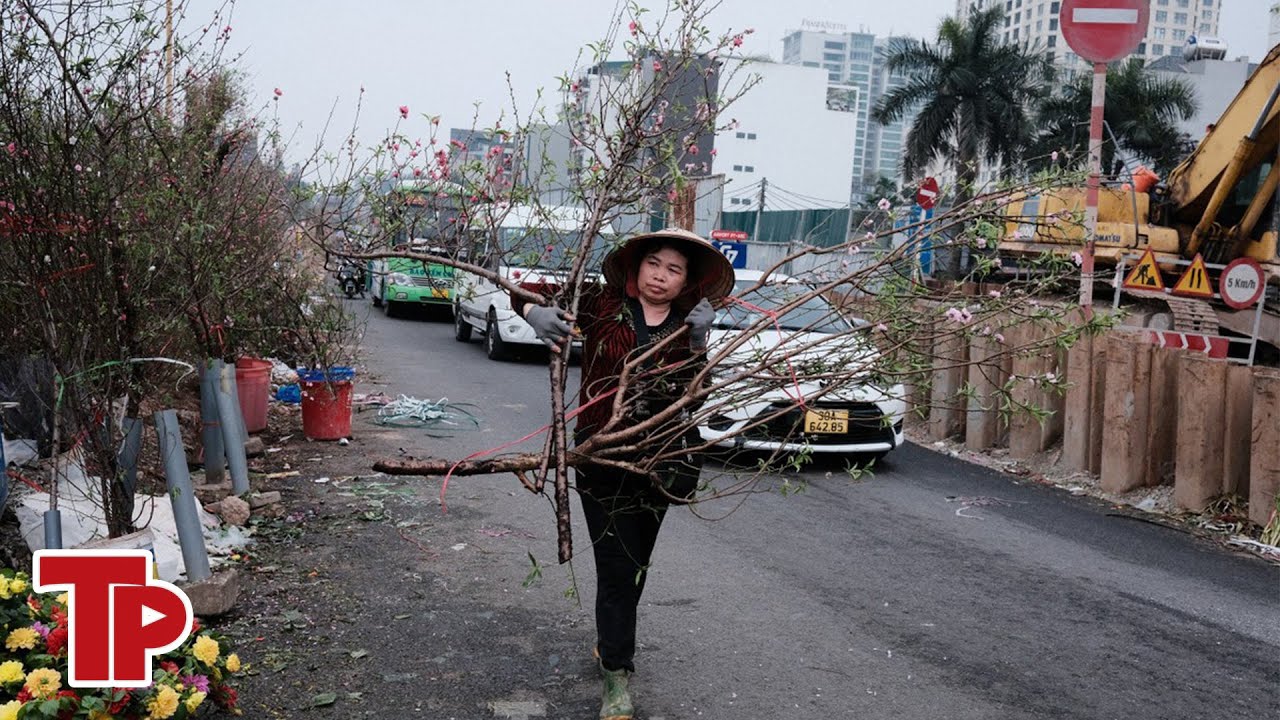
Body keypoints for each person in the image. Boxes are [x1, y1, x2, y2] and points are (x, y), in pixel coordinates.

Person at [512, 228, 734, 720]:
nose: (661, 275)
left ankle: (611, 639)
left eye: (674, 270)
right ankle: (617, 673)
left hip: (660, 461)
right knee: (616, 566)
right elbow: (524, 290)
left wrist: (699, 342)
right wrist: (534, 312)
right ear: (636, 266)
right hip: (600, 457)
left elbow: (694, 398)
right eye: (654, 263)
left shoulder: (686, 326)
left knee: (635, 565)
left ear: (687, 282)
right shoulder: (602, 303)